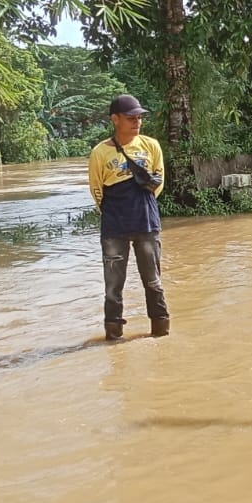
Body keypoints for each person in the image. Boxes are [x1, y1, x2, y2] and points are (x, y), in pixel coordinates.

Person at [88, 94, 170, 340]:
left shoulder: (151, 146)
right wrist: (115, 212)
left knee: (153, 281)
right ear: (115, 119)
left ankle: (160, 330)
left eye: (139, 118)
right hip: (114, 227)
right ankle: (113, 334)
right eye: (131, 118)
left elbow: (158, 182)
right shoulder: (100, 152)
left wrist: (142, 206)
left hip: (147, 222)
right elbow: (96, 190)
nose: (137, 122)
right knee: (113, 286)